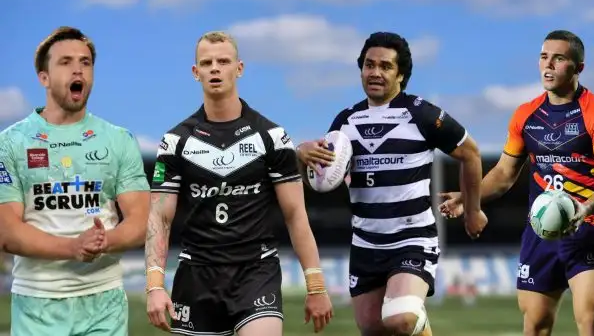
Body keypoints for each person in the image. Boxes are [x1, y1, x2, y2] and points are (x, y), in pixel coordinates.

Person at [296, 31, 487, 336]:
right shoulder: (345, 121)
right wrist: (301, 154)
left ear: (401, 75)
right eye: (369, 65)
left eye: (385, 66)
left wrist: (473, 208)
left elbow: (471, 153)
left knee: (400, 319)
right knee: (374, 328)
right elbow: (322, 176)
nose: (375, 72)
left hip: (412, 238)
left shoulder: (421, 114)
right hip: (365, 244)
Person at [144, 31, 333, 336]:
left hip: (256, 271)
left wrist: (316, 285)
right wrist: (154, 285)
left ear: (239, 68)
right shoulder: (174, 142)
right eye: (207, 63)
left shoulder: (272, 137)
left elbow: (296, 215)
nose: (215, 68)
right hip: (196, 275)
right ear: (196, 73)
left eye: (223, 61)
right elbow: (159, 218)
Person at [439, 30, 594, 336]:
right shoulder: (526, 115)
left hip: (589, 229)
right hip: (540, 233)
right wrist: (467, 198)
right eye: (543, 57)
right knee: (535, 326)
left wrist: (585, 208)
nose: (548, 65)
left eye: (559, 58)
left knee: (590, 322)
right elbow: (502, 174)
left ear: (578, 67)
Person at [0, 26, 151, 335]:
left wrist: (106, 240)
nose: (78, 69)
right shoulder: (11, 143)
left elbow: (141, 220)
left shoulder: (118, 139)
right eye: (65, 62)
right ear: (43, 77)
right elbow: (7, 233)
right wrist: (73, 248)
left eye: (85, 62)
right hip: (37, 303)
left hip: (103, 302)